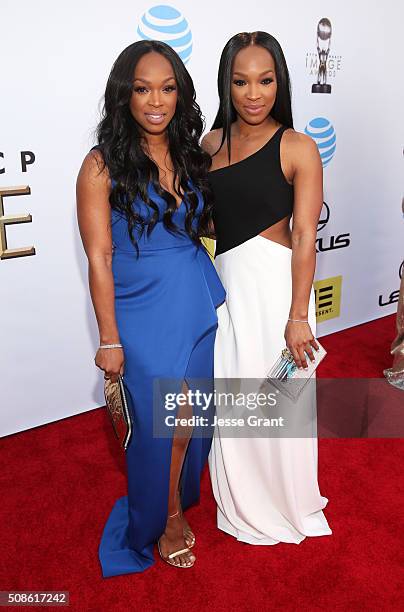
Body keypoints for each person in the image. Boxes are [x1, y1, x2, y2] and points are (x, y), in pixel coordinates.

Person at [76, 40, 225, 575]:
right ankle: (163, 517)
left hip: (193, 299)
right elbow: (98, 258)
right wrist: (109, 339)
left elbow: (202, 226)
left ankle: (172, 499)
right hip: (140, 311)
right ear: (125, 95)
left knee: (192, 419)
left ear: (180, 94)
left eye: (166, 88)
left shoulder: (191, 154)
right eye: (142, 89)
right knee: (167, 420)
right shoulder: (100, 166)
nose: (155, 100)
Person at [202, 31, 332, 545]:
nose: (253, 93)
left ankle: (286, 501)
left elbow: (305, 236)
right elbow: (208, 223)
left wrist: (298, 316)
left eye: (265, 80)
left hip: (280, 296)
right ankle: (243, 498)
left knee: (281, 406)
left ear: (281, 81)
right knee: (236, 404)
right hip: (230, 294)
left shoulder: (299, 146)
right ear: (226, 85)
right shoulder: (210, 145)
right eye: (240, 81)